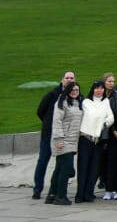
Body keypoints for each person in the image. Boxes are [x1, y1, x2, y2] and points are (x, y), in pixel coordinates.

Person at [32, 71, 74, 199]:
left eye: (72, 78)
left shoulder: (75, 95)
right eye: (67, 78)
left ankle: (57, 189)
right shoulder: (52, 95)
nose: (69, 80)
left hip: (66, 137)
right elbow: (40, 111)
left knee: (63, 164)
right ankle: (37, 189)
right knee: (43, 161)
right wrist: (48, 124)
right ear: (62, 80)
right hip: (49, 135)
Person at [75, 80, 114, 203]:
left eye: (101, 88)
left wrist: (104, 123)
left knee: (94, 168)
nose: (99, 90)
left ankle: (89, 193)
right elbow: (92, 115)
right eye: (97, 88)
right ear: (93, 89)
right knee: (83, 167)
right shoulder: (86, 102)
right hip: (86, 138)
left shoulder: (106, 101)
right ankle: (80, 194)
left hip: (98, 140)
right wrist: (101, 118)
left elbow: (111, 117)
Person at [45, 82, 82, 205]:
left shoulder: (78, 103)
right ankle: (61, 196)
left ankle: (52, 195)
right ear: (67, 90)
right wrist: (59, 140)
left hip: (72, 140)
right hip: (63, 141)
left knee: (59, 168)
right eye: (72, 89)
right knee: (65, 169)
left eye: (77, 90)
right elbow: (56, 122)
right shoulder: (61, 102)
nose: (75, 91)